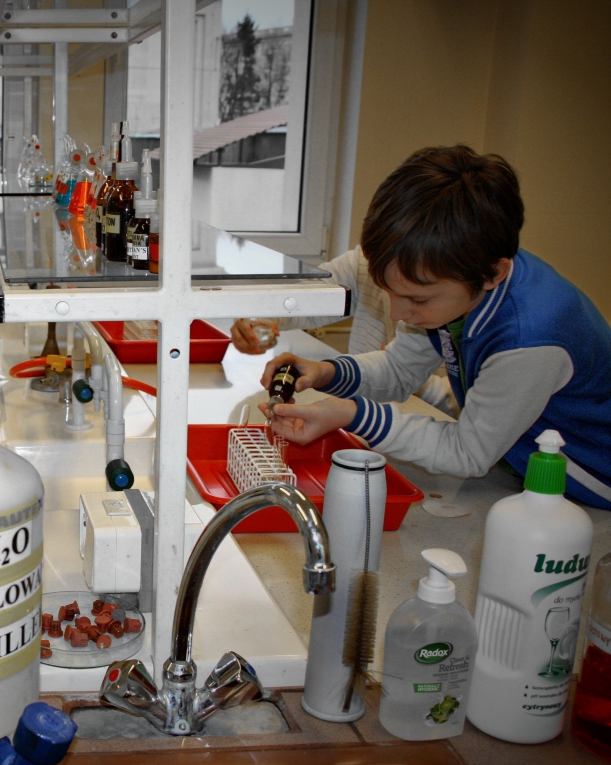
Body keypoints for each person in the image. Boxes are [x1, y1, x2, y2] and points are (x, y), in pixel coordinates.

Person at [260, 145, 611, 509]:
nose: (398, 314)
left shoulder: (529, 340)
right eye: (390, 293)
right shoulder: (459, 272)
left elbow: (466, 453)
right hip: (520, 467)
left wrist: (351, 414)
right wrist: (325, 373)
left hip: (591, 486)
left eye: (418, 300)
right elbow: (399, 370)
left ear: (493, 274)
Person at [229, 253, 455, 415]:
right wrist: (256, 320)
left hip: (424, 421)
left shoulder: (458, 292)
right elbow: (302, 294)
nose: (396, 314)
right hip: (370, 414)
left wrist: (411, 377)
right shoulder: (368, 258)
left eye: (419, 299)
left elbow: (465, 426)